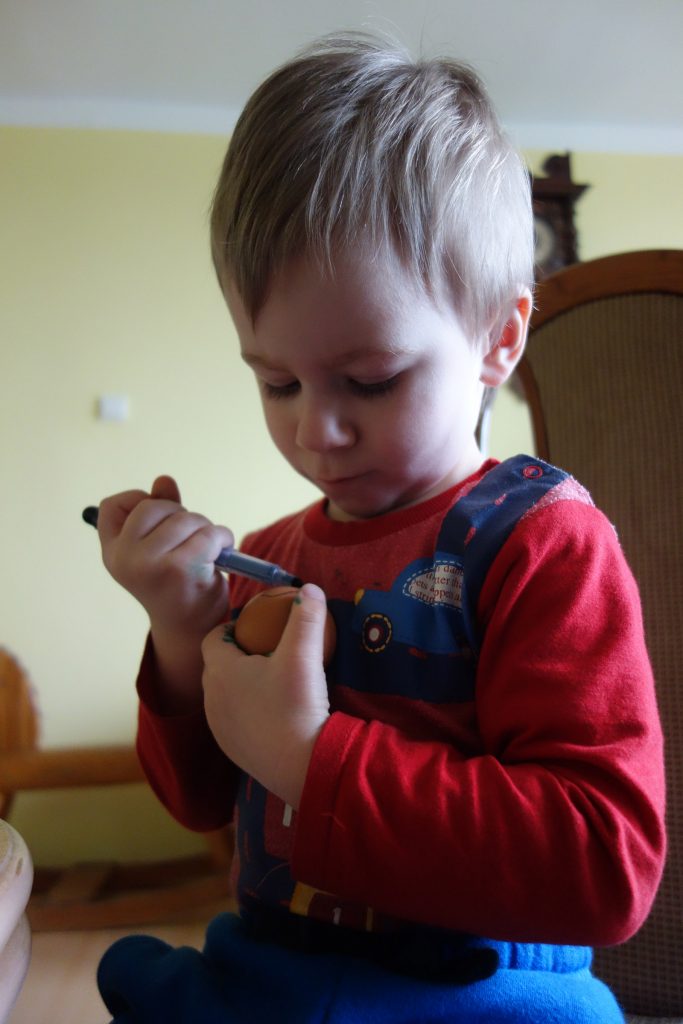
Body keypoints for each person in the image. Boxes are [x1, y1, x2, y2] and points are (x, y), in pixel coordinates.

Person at [93, 33, 665, 1024]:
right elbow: (197, 802)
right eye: (276, 382)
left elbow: (603, 864)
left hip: (489, 999)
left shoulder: (542, 544)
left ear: (498, 339)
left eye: (369, 379)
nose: (315, 430)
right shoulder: (269, 557)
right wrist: (181, 633)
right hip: (270, 978)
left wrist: (309, 760)